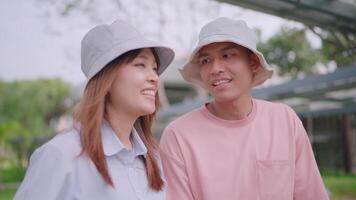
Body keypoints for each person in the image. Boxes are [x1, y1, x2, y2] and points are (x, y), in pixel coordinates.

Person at [159, 17, 329, 200]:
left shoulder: (284, 120)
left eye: (227, 55)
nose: (215, 68)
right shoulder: (179, 136)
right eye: (206, 60)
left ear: (253, 63)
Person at [14, 20, 174, 200]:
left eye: (154, 68)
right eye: (140, 65)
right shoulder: (61, 155)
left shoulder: (154, 161)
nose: (155, 78)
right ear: (107, 77)